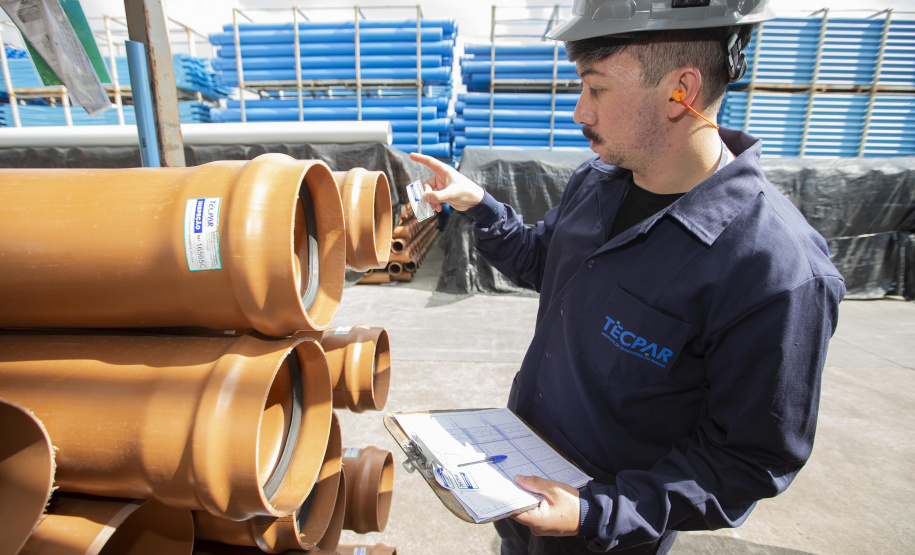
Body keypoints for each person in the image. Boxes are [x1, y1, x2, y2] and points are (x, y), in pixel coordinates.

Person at [410, 1, 846, 553]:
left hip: (606, 536)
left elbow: (748, 459)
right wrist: (479, 205)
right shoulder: (598, 182)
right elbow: (547, 263)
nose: (579, 112)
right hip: (520, 491)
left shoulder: (776, 271)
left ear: (680, 91)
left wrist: (596, 513)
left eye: (596, 89)